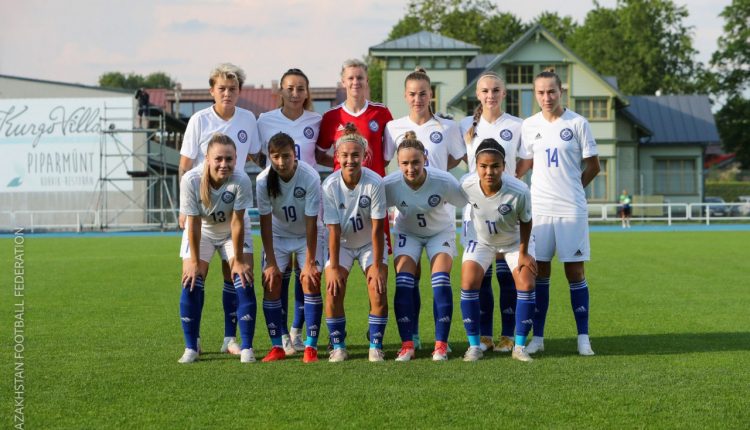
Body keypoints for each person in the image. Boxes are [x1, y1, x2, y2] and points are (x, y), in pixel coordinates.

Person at [178, 63, 261, 356]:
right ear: (212, 91)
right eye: (222, 88)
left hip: (234, 208)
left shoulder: (248, 119)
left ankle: (230, 339)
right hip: (201, 214)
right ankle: (193, 343)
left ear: (239, 91)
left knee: (238, 275)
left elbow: (257, 156)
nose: (227, 93)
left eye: (232, 88)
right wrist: (184, 208)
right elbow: (185, 164)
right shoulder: (199, 120)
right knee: (192, 276)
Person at [516, 71, 600, 356]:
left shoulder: (577, 123)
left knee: (575, 271)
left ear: (561, 92)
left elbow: (594, 166)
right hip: (539, 210)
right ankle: (538, 338)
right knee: (539, 272)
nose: (546, 97)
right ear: (535, 94)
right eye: (540, 92)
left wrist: (574, 187)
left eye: (551, 91)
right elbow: (524, 165)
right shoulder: (529, 125)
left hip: (570, 208)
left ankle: (583, 337)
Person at [384, 68, 466, 350]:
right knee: (409, 279)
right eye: (412, 94)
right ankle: (413, 336)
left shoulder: (447, 127)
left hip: (439, 216)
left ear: (431, 94)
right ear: (405, 96)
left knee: (439, 280)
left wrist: (435, 178)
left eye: (422, 93)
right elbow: (385, 162)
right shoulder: (393, 128)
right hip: (407, 217)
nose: (417, 99)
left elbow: (456, 159)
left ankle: (441, 342)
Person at [258, 68, 322, 354]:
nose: (295, 93)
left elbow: (323, 153)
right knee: (275, 278)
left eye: (300, 88)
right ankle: (281, 339)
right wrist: (269, 259)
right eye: (289, 88)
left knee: (307, 276)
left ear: (307, 92)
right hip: (280, 217)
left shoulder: (316, 120)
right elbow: (256, 154)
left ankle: (300, 334)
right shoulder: (264, 120)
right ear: (280, 91)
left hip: (308, 208)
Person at [459, 72, 524, 354]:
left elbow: (526, 160)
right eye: (485, 90)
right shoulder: (465, 125)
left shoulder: (517, 125)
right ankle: (484, 336)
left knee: (506, 276)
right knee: (480, 274)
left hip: (507, 210)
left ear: (504, 93)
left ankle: (508, 335)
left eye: (496, 90)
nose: (490, 95)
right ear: (477, 94)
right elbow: (456, 158)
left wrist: (511, 184)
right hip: (476, 212)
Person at [178, 133, 256, 364]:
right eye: (218, 159)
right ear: (207, 159)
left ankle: (243, 345)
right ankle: (192, 346)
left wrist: (238, 260)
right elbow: (193, 223)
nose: (224, 164)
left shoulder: (241, 180)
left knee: (243, 278)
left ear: (236, 159)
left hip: (232, 231)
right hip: (202, 231)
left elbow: (237, 222)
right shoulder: (191, 180)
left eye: (229, 159)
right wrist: (194, 261)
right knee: (191, 279)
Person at [459, 139, 536, 362]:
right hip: (481, 241)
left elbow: (526, 221)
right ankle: (474, 346)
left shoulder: (519, 190)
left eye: (495, 166)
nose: (489, 171)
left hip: (513, 242)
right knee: (468, 282)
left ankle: (519, 346)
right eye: (483, 166)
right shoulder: (466, 185)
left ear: (504, 166)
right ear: (476, 166)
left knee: (526, 283)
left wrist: (523, 253)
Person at [322, 123, 388, 362]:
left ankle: (375, 345)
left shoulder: (375, 182)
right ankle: (338, 345)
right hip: (341, 243)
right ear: (337, 157)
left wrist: (377, 266)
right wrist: (333, 268)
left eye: (355, 155)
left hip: (370, 244)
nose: (350, 160)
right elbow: (333, 230)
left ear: (365, 156)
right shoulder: (329, 185)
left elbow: (378, 228)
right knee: (333, 289)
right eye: (345, 155)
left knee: (378, 289)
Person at [316, 59, 393, 177]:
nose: (355, 82)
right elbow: (319, 157)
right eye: (351, 78)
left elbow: (387, 157)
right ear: (343, 82)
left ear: (367, 81)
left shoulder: (381, 112)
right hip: (342, 185)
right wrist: (345, 164)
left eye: (360, 78)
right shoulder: (331, 116)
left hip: (374, 183)